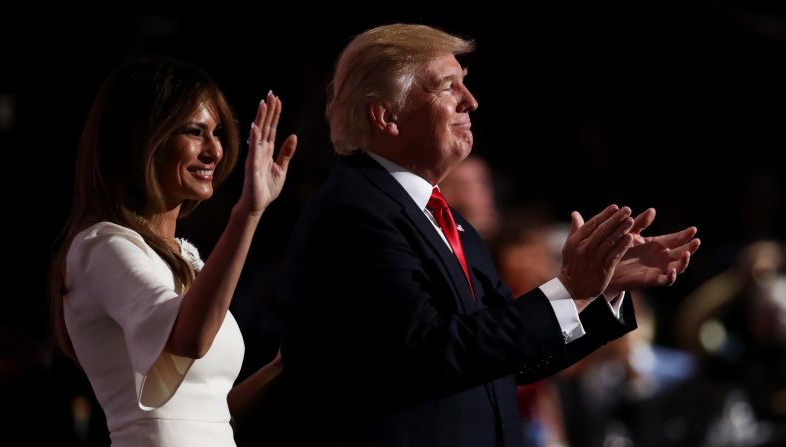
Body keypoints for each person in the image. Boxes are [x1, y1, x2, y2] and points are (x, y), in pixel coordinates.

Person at [278, 23, 699, 447]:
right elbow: (432, 354)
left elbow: (512, 357)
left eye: (466, 84)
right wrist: (570, 287)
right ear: (387, 116)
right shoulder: (354, 212)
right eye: (448, 87)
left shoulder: (449, 221)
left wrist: (598, 289)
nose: (471, 101)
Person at [48, 57, 297, 446]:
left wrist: (282, 367)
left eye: (217, 133)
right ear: (143, 140)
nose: (214, 150)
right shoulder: (101, 247)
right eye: (195, 132)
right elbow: (188, 341)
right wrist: (247, 213)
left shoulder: (186, 257)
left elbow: (208, 415)